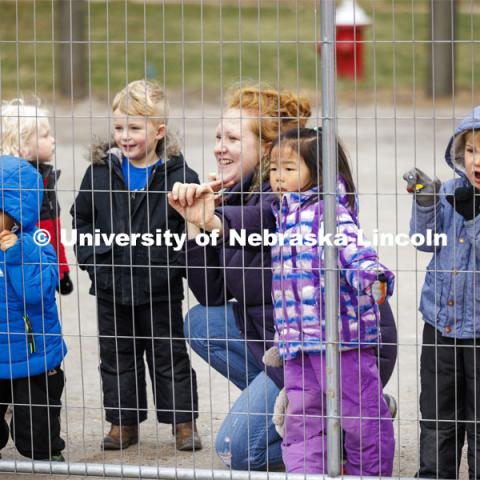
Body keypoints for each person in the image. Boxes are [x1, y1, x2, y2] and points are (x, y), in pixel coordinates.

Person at [168, 84, 397, 470]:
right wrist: (197, 225)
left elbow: (258, 220)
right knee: (201, 322)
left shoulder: (293, 203)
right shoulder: (235, 194)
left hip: (343, 344)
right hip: (287, 344)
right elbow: (209, 293)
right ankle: (308, 412)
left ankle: (342, 423)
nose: (219, 147)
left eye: (233, 138)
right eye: (218, 136)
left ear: (270, 149)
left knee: (236, 451)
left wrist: (217, 221)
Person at [71, 80, 201, 452]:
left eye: (134, 128)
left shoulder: (179, 177)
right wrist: (96, 265)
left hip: (160, 288)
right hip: (112, 287)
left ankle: (183, 422)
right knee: (116, 355)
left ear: (159, 132)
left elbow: (186, 229)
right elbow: (82, 222)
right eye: (119, 128)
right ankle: (122, 423)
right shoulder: (99, 174)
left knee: (169, 354)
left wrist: (172, 265)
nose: (125, 137)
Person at [267, 127, 395, 474]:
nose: (277, 177)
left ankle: (368, 474)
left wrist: (372, 274)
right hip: (298, 343)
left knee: (360, 416)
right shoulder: (284, 213)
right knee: (302, 418)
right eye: (274, 168)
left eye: (288, 169)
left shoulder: (330, 212)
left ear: (318, 171)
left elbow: (354, 249)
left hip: (343, 341)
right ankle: (305, 473)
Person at [403, 106, 480, 479]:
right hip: (441, 323)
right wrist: (426, 201)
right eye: (471, 151)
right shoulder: (451, 192)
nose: (477, 160)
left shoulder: (467, 202)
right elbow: (423, 241)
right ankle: (434, 474)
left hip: (479, 331)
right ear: (459, 153)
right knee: (437, 413)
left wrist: (474, 216)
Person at [0, 151, 66, 461]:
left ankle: (48, 451)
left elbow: (37, 291)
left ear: (15, 209)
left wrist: (17, 254)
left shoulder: (36, 242)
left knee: (36, 431)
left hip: (32, 352)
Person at [1, 99, 73, 294]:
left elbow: (54, 231)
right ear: (22, 146)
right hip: (21, 272)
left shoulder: (45, 178)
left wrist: (62, 270)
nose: (53, 140)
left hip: (46, 268)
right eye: (45, 135)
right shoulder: (13, 185)